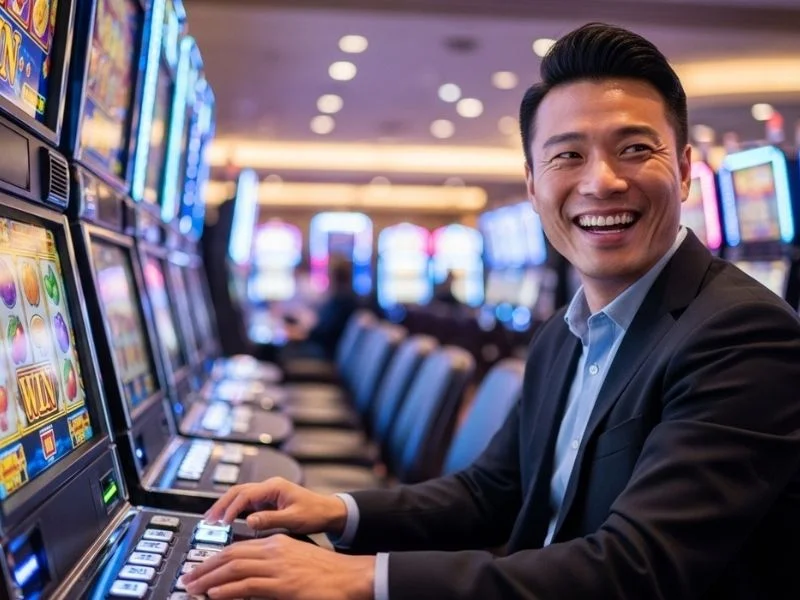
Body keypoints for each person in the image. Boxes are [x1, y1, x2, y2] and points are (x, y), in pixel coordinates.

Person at [182, 22, 800, 599]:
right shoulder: (564, 333)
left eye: (635, 148)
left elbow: (636, 568)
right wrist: (337, 510)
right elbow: (493, 491)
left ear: (685, 171)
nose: (602, 181)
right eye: (567, 156)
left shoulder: (743, 335)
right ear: (532, 184)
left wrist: (363, 578)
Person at [278, 258, 361, 361]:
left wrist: (301, 334)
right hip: (324, 348)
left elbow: (327, 335)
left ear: (334, 276)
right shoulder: (343, 297)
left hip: (326, 354)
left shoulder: (342, 300)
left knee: (282, 352)